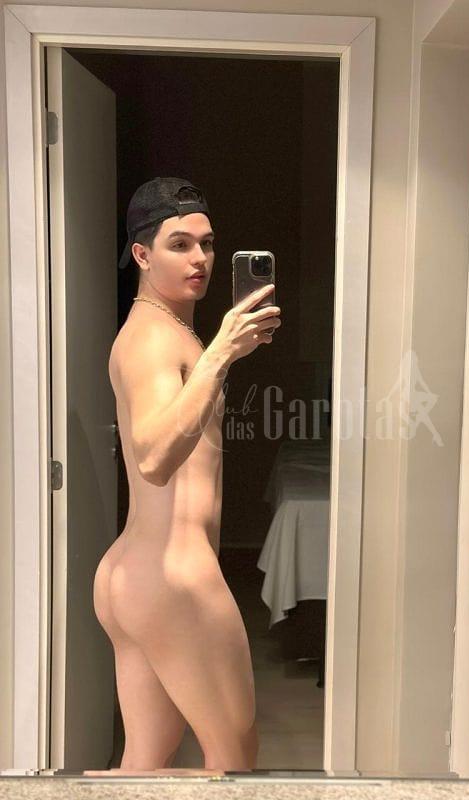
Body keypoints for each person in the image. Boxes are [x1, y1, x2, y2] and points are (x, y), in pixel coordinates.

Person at [92, 177, 281, 772]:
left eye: (207, 243)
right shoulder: (150, 341)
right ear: (142, 255)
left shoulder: (164, 331)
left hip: (135, 572)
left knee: (145, 762)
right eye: (179, 244)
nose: (200, 258)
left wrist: (219, 353)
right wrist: (222, 353)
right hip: (173, 577)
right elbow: (153, 459)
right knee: (235, 758)